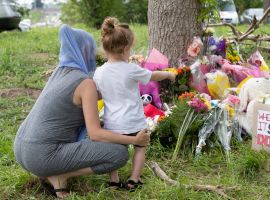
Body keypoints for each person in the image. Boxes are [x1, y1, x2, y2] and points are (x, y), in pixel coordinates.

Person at [13, 25, 150, 198]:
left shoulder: (60, 72)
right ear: (85, 51)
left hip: (21, 149)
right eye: (90, 50)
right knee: (119, 154)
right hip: (42, 156)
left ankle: (53, 171)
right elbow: (95, 134)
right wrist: (133, 139)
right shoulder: (85, 83)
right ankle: (60, 176)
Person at [93, 17, 176, 190]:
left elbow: (99, 94)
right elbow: (153, 76)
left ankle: (114, 179)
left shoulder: (99, 72)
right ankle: (133, 179)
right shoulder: (131, 69)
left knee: (114, 151)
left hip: (112, 122)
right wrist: (168, 74)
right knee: (140, 147)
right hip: (134, 120)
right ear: (125, 48)